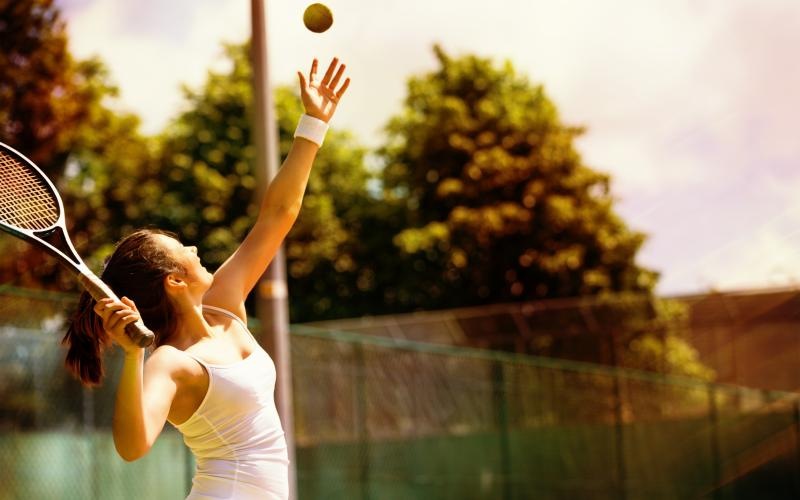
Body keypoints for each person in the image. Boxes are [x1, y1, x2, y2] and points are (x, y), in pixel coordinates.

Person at [62, 57, 350, 500]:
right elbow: (133, 447)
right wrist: (133, 358)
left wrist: (312, 124)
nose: (195, 250)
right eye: (184, 251)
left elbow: (277, 216)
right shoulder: (170, 362)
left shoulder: (225, 309)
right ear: (174, 282)